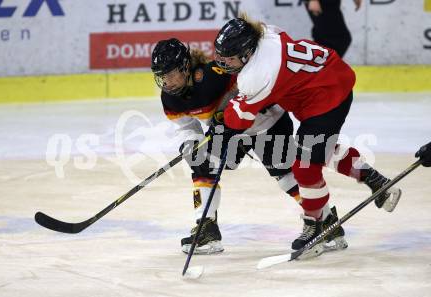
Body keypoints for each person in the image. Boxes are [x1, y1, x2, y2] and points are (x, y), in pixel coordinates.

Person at [210, 14, 402, 254]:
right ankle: (376, 181)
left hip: (325, 96)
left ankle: (315, 228)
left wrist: (224, 124)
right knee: (318, 150)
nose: (224, 62)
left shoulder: (257, 74)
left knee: (304, 166)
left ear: (247, 53)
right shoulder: (266, 33)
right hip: (326, 79)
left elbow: (238, 121)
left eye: (229, 58)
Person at [150, 38, 347, 255]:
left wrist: (239, 114)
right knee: (202, 164)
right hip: (228, 131)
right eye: (161, 76)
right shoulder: (170, 98)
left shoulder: (215, 75)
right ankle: (206, 229)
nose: (165, 82)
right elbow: (186, 125)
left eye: (169, 74)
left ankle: (327, 222)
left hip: (265, 122)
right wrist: (189, 143)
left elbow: (256, 86)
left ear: (185, 67)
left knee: (285, 176)